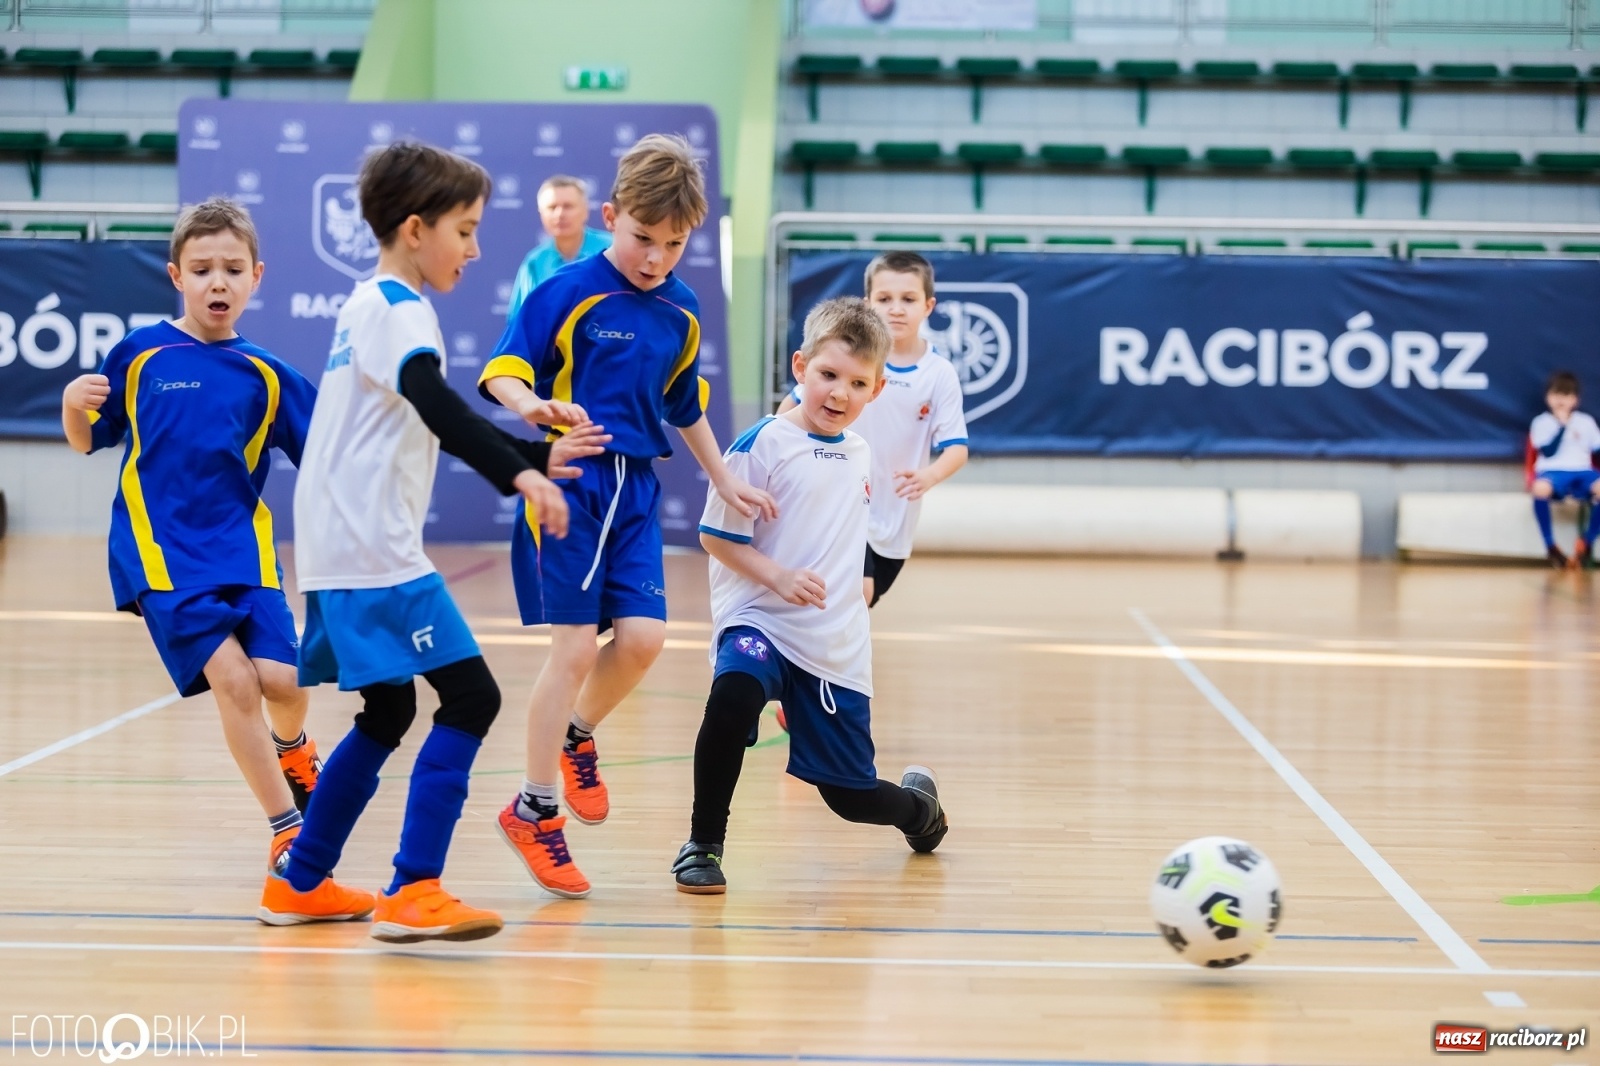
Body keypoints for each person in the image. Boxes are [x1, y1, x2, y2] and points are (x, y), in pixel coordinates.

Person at [258, 141, 606, 941]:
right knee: (473, 697)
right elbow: (436, 403)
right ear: (416, 229)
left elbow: (426, 414)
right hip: (372, 549)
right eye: (466, 230)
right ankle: (414, 888)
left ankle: (299, 879)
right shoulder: (403, 311)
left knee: (388, 710)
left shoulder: (365, 303)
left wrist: (535, 454)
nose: (475, 250)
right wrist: (521, 475)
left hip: (336, 548)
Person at [479, 133, 773, 900]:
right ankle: (533, 810)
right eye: (644, 238)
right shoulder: (565, 290)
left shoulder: (682, 309)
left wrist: (724, 478)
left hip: (637, 490)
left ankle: (576, 736)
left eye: (674, 245)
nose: (656, 258)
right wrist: (532, 405)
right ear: (611, 218)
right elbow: (503, 370)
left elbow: (684, 405)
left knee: (643, 640)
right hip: (572, 486)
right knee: (575, 649)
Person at [60, 197, 323, 874]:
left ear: (256, 277)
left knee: (285, 680)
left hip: (244, 550)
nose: (217, 282)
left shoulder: (267, 374)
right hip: (161, 553)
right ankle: (287, 832)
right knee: (235, 682)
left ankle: (294, 749)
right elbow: (88, 440)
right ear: (177, 275)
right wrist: (70, 406)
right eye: (202, 269)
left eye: (233, 269)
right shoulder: (141, 353)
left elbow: (329, 452)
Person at [672, 296, 948, 894]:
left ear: (875, 391)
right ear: (800, 367)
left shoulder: (860, 453)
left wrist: (860, 578)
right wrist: (777, 577)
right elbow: (715, 537)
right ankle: (703, 844)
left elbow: (841, 530)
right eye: (828, 374)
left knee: (851, 797)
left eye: (857, 383)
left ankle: (919, 811)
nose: (839, 393)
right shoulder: (762, 444)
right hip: (759, 620)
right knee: (732, 696)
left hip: (832, 643)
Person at [779, 251, 968, 607]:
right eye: (884, 299)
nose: (896, 309)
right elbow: (790, 407)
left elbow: (957, 448)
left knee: (857, 602)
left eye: (908, 299)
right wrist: (782, 456)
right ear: (868, 304)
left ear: (928, 306)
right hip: (839, 499)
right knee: (854, 591)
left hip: (893, 521)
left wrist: (928, 476)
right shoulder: (850, 360)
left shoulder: (939, 373)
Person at [505, 175, 613, 318]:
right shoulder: (535, 262)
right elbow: (520, 320)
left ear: (585, 211)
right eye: (552, 207)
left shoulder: (611, 248)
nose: (559, 214)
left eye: (568, 206)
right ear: (541, 213)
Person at [1529, 370, 1600, 569]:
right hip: (1553, 472)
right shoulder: (1541, 422)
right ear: (1548, 397)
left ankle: (1587, 542)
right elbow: (1548, 451)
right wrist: (1562, 426)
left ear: (1575, 399)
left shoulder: (1586, 422)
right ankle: (1551, 546)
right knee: (1540, 488)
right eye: (1556, 394)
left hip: (1582, 472)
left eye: (1566, 395)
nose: (1561, 400)